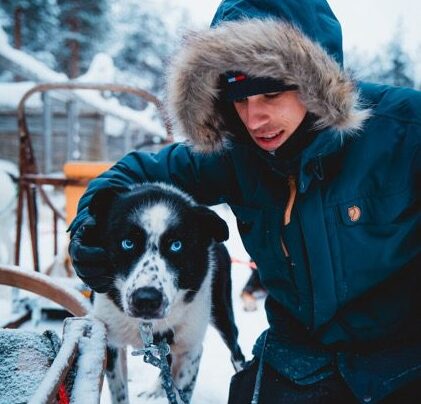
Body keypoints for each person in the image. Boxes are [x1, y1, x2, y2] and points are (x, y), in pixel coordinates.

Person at [69, 0, 420, 402]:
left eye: (270, 94)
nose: (254, 119)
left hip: (404, 359)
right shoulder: (236, 154)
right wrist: (89, 228)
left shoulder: (405, 132)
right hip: (299, 360)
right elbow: (130, 173)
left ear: (316, 82)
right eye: (239, 99)